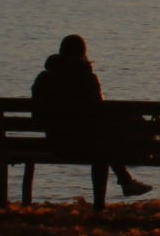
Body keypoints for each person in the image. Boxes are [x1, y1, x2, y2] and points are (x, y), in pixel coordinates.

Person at [32, 34, 150, 197]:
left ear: (60, 52)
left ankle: (126, 181)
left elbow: (36, 115)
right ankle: (111, 195)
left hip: (55, 143)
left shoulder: (43, 78)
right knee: (103, 149)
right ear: (83, 53)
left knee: (102, 145)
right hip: (85, 144)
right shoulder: (87, 78)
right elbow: (98, 111)